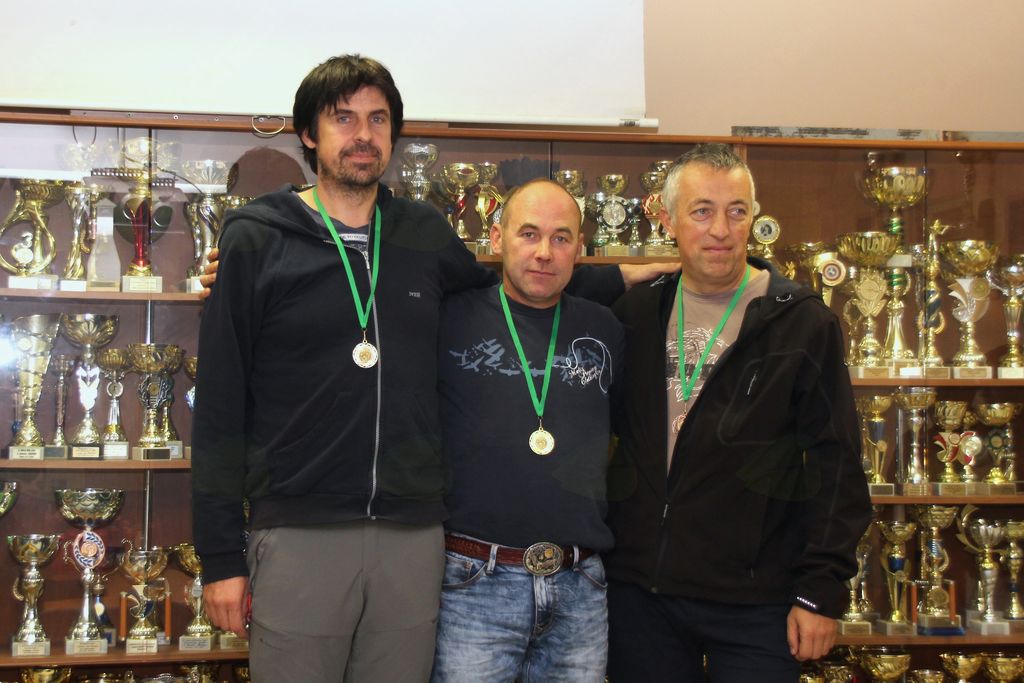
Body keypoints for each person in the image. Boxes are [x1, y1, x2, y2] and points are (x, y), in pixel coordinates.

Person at [192, 53, 664, 682]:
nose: (363, 135)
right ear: (308, 133)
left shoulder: (422, 233)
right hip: (300, 527)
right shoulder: (256, 239)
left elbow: (510, 289)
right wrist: (221, 558)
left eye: (378, 119)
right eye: (343, 118)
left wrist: (623, 276)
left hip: (412, 538)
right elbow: (219, 408)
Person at [604, 143, 871, 682]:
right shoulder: (635, 312)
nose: (721, 230)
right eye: (702, 211)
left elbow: (836, 462)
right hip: (643, 596)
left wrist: (820, 590)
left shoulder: (802, 323)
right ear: (669, 220)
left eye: (737, 211)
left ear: (754, 218)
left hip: (757, 603)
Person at [432, 179, 622, 682]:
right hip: (475, 583)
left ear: (579, 249)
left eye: (561, 238)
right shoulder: (448, 317)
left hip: (581, 586)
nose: (544, 252)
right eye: (529, 234)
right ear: (497, 238)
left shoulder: (606, 327)